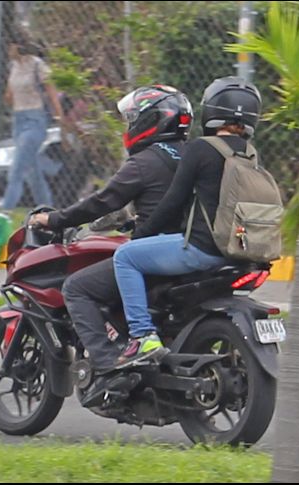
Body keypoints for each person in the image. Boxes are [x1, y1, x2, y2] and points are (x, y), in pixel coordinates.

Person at [28, 85, 193, 391]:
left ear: (152, 120)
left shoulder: (145, 162)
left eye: (134, 119)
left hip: (157, 256)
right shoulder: (192, 155)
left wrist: (55, 219)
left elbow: (102, 201)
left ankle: (106, 363)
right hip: (190, 249)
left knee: (76, 287)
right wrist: (134, 223)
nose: (130, 126)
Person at [112, 76, 264, 367]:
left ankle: (142, 337)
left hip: (202, 249)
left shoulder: (201, 149)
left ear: (211, 110)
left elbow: (173, 202)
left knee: (126, 258)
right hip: (237, 251)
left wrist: (141, 234)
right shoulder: (249, 154)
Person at [0, 34, 65, 210]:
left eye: (10, 46)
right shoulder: (13, 67)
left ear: (18, 46)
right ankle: (48, 209)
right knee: (33, 173)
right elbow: (9, 95)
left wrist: (61, 119)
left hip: (34, 121)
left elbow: (52, 93)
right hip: (18, 121)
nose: (8, 51)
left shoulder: (37, 65)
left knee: (16, 171)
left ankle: (5, 212)